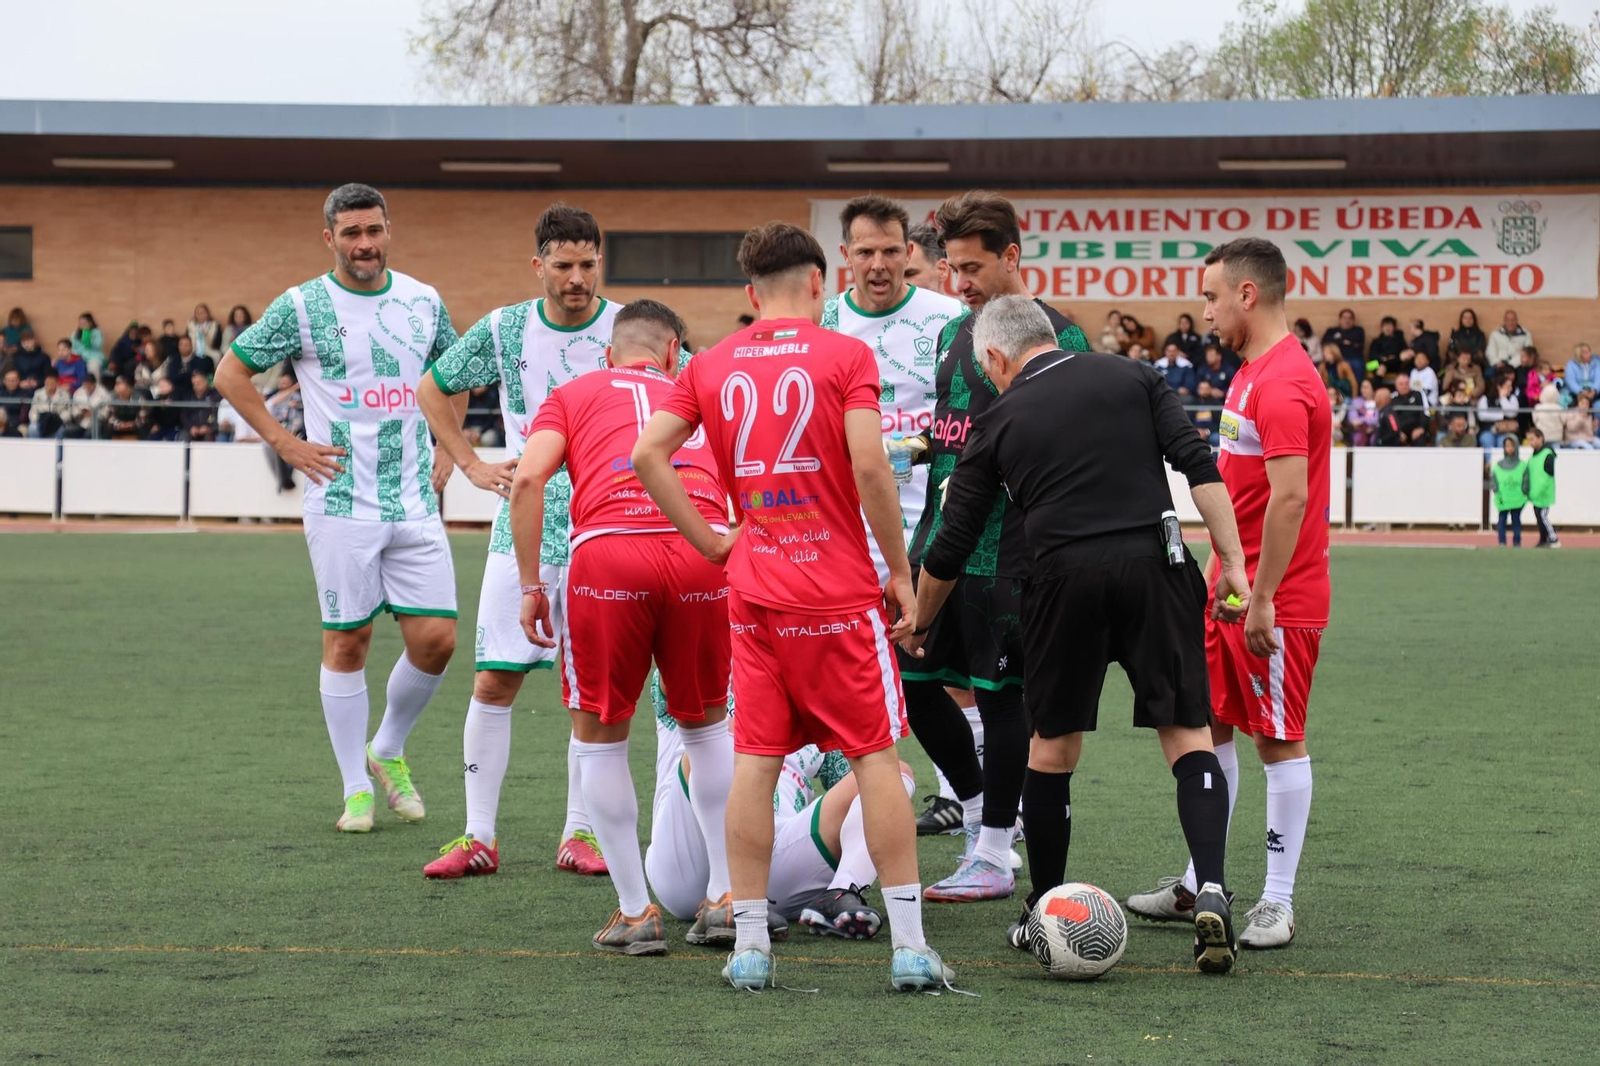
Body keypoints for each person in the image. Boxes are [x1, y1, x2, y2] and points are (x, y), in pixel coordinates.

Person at [631, 221, 954, 992]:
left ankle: (748, 947)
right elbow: (873, 466)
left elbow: (648, 452)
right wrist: (903, 573)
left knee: (754, 761)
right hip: (837, 592)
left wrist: (712, 542)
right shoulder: (846, 352)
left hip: (754, 590)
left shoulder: (710, 363)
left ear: (750, 292)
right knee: (877, 755)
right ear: (820, 282)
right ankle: (908, 947)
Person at [906, 295, 1252, 972]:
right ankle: (1210, 886)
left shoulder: (999, 416)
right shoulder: (1133, 376)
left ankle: (1045, 907)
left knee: (1053, 749)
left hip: (1063, 579)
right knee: (1186, 734)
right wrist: (1233, 559)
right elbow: (1196, 462)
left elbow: (952, 543)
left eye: (988, 368)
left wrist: (921, 620)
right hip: (1160, 562)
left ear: (998, 358)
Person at [494, 299, 736, 957]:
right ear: (671, 353)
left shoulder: (573, 393)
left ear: (610, 355)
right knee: (708, 724)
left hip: (608, 554)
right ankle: (722, 896)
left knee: (600, 733)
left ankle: (636, 912)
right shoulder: (704, 394)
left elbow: (529, 481)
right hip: (699, 550)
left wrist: (529, 585)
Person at [215, 183, 460, 833]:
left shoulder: (423, 299)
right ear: (329, 239)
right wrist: (284, 443)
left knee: (437, 641)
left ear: (388, 229)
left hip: (413, 497)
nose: (364, 244)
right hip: (341, 499)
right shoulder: (300, 306)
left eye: (373, 230)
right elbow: (230, 374)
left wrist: (450, 446)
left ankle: (386, 748)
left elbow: (455, 372)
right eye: (351, 233)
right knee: (348, 640)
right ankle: (356, 786)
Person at [1129, 237, 1332, 954]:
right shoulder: (1252, 372)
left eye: (1212, 297)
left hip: (1276, 598)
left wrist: (1265, 597)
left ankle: (1277, 902)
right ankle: (1200, 881)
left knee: (1278, 738)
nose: (1205, 311)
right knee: (1212, 725)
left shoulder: (1281, 382)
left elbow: (1290, 500)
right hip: (1235, 588)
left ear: (1249, 295)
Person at [418, 203, 618, 879]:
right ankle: (479, 837)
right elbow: (431, 387)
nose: (577, 278)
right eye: (562, 265)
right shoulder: (506, 328)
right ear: (539, 266)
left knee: (589, 691)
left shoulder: (629, 327)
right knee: (495, 677)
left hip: (605, 528)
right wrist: (471, 464)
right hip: (523, 529)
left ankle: (579, 833)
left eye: (588, 264)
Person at [902, 191, 1090, 906]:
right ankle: (986, 816)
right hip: (942, 547)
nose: (960, 282)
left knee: (1003, 698)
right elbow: (956, 430)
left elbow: (1067, 449)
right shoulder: (961, 331)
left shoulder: (1061, 339)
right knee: (913, 686)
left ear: (1013, 256)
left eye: (974, 267)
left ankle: (991, 850)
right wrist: (912, 449)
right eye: (951, 267)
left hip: (1012, 555)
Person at [820, 196, 968, 832]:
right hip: (845, 533)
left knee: (944, 669)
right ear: (844, 257)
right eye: (864, 252)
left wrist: (904, 452)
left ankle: (969, 799)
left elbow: (964, 422)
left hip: (934, 526)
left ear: (910, 254)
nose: (878, 265)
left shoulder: (949, 318)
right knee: (847, 669)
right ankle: (845, 797)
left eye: (890, 251)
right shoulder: (823, 323)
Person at [643, 674, 914, 942]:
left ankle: (841, 892)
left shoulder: (814, 690)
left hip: (770, 862)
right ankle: (724, 894)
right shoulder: (712, 658)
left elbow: (861, 780)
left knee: (890, 777)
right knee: (716, 740)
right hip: (686, 863)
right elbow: (676, 676)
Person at [1524, 428, 1559, 547]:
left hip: (1543, 494)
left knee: (1543, 516)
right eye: (1529, 440)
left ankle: (1553, 538)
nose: (1530, 442)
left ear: (1541, 438)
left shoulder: (1547, 454)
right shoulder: (1533, 457)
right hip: (1535, 493)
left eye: (1532, 439)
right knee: (1539, 518)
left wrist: (1539, 490)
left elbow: (1548, 476)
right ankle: (1543, 540)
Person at [1491, 437, 1527, 546]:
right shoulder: (1498, 466)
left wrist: (1524, 491)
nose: (1509, 448)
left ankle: (1517, 542)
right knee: (1502, 521)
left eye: (1512, 446)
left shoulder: (1522, 465)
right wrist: (1496, 490)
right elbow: (1494, 479)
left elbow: (1526, 480)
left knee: (1516, 521)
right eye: (1507, 446)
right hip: (1503, 498)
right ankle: (1502, 542)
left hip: (1517, 498)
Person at [1194, 343, 1234, 442]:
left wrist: (1224, 393)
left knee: (1217, 439)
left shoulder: (1228, 370)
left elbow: (1235, 390)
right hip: (1203, 404)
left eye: (1211, 355)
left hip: (1222, 407)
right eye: (1207, 355)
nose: (1208, 358)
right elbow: (1195, 388)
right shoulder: (1202, 370)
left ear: (1219, 357)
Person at [1478, 373, 1523, 451]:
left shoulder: (1512, 398)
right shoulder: (1485, 398)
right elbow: (1482, 416)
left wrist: (1503, 398)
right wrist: (1501, 415)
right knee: (1487, 440)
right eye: (1508, 386)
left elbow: (1512, 413)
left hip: (1506, 430)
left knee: (1502, 443)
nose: (1511, 389)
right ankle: (1489, 462)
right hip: (1489, 430)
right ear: (1499, 387)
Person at [904, 222, 951, 294]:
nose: (900, 285)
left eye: (910, 274)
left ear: (942, 270)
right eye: (895, 277)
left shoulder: (959, 305)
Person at [1321, 308, 1365, 383]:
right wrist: (1346, 342)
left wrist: (1338, 341)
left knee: (1358, 365)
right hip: (1335, 358)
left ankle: (1358, 391)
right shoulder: (1332, 331)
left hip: (1353, 358)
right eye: (1344, 318)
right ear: (1340, 319)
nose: (1347, 320)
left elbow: (1359, 344)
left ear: (1353, 320)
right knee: (1322, 365)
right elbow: (1324, 343)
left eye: (1350, 318)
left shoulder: (1358, 330)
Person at [28, 372, 71, 438]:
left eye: (52, 383)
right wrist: (38, 420)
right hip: (41, 421)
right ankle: (35, 447)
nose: (49, 386)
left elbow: (67, 411)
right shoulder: (38, 393)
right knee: (32, 428)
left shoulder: (64, 394)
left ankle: (57, 448)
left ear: (57, 383)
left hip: (57, 422)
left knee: (61, 430)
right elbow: (33, 411)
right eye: (47, 383)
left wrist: (59, 420)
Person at [181, 370, 221, 441]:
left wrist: (209, 427)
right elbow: (184, 416)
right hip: (193, 429)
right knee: (184, 436)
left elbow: (217, 414)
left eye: (198, 383)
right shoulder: (189, 397)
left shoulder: (215, 397)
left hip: (209, 429)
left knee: (209, 437)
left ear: (205, 382)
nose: (196, 386)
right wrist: (191, 427)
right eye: (194, 384)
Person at [69, 372, 109, 438]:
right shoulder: (78, 392)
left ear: (94, 384)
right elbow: (74, 409)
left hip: (97, 422)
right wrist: (80, 413)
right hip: (81, 421)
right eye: (85, 385)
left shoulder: (103, 393)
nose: (87, 387)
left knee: (88, 434)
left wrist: (93, 413)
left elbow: (106, 412)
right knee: (65, 431)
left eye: (89, 385)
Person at [104, 375, 142, 440]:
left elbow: (142, 417)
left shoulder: (139, 398)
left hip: (134, 427)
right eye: (119, 393)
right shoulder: (111, 398)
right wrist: (119, 425)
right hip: (117, 427)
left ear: (129, 388)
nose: (121, 395)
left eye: (124, 392)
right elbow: (110, 416)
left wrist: (132, 424)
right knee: (107, 427)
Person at [1346, 379, 1379, 446]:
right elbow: (1353, 419)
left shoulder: (1377, 402)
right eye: (1362, 387)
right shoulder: (1356, 402)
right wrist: (1365, 424)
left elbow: (1377, 419)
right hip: (1358, 436)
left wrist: (1362, 421)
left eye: (1366, 387)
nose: (1363, 390)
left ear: (1373, 389)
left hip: (1374, 435)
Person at [73, 313, 105, 377]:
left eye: (85, 323)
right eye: (80, 323)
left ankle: (95, 385)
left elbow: (97, 345)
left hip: (94, 357)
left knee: (93, 367)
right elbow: (73, 347)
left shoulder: (97, 332)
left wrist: (88, 338)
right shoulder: (75, 334)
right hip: (79, 357)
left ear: (90, 323)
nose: (82, 325)